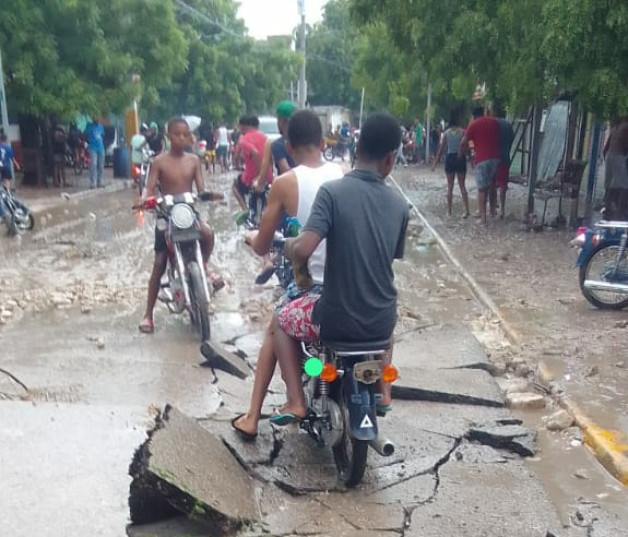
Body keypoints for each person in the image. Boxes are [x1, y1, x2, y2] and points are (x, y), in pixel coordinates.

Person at [268, 112, 409, 424]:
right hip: (381, 322)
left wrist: (288, 244)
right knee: (388, 327)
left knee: (280, 320)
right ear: (390, 159)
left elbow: (304, 248)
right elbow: (391, 256)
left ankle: (295, 401)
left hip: (335, 319)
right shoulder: (400, 206)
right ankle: (384, 393)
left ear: (356, 149)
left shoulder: (333, 193)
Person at [231, 110, 344, 439]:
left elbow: (264, 242)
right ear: (323, 143)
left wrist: (253, 239)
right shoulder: (345, 174)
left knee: (275, 327)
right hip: (349, 287)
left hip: (309, 288)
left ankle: (254, 416)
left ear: (289, 147)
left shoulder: (284, 183)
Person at [138, 117, 223, 334]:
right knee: (159, 263)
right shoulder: (159, 162)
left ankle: (203, 267)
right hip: (166, 214)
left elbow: (201, 187)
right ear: (168, 136)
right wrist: (144, 199)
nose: (181, 138)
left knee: (207, 233)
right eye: (177, 134)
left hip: (187, 212)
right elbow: (149, 188)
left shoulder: (194, 160)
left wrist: (209, 194)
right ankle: (148, 314)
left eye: (185, 134)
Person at [459, 106, 500, 225]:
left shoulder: (474, 125)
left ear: (474, 115)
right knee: (492, 186)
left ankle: (483, 218)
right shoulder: (494, 122)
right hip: (496, 158)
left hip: (482, 158)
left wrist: (462, 154)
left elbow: (463, 142)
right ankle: (492, 212)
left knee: (481, 189)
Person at [232, 116, 272, 217]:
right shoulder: (265, 137)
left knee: (234, 186)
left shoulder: (243, 139)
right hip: (269, 178)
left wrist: (259, 177)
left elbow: (254, 153)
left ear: (242, 126)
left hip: (252, 179)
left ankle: (245, 210)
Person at [433, 112, 470, 218]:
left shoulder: (446, 133)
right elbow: (466, 146)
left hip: (450, 159)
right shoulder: (463, 132)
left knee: (450, 187)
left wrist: (435, 163)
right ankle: (466, 210)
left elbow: (441, 149)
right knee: (462, 185)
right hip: (460, 158)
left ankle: (449, 211)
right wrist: (471, 159)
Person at [491, 106, 515, 219]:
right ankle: (502, 210)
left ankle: (493, 208)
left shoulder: (492, 123)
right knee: (503, 185)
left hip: (493, 156)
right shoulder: (508, 125)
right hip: (505, 156)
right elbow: (512, 139)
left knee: (492, 183)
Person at [603, 117, 628, 220]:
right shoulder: (626, 127)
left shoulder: (616, 127)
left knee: (611, 185)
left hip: (609, 155)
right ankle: (620, 211)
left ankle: (607, 206)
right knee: (624, 185)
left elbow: (605, 149)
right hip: (618, 155)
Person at [85, 118, 106, 188]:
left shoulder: (101, 126)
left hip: (101, 148)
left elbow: (102, 136)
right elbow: (85, 135)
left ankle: (99, 182)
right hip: (92, 147)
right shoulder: (89, 126)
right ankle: (92, 183)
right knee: (93, 164)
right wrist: (87, 143)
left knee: (101, 166)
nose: (97, 120)